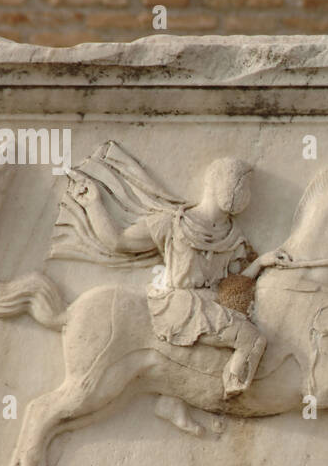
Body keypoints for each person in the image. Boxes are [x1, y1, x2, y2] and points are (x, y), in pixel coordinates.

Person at [71, 156, 277, 397]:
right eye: (236, 181)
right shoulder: (174, 223)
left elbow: (233, 285)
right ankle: (232, 391)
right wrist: (93, 203)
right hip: (181, 305)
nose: (241, 190)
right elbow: (119, 241)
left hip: (212, 302)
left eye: (246, 185)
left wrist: (261, 262)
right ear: (214, 182)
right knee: (252, 341)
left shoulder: (233, 236)